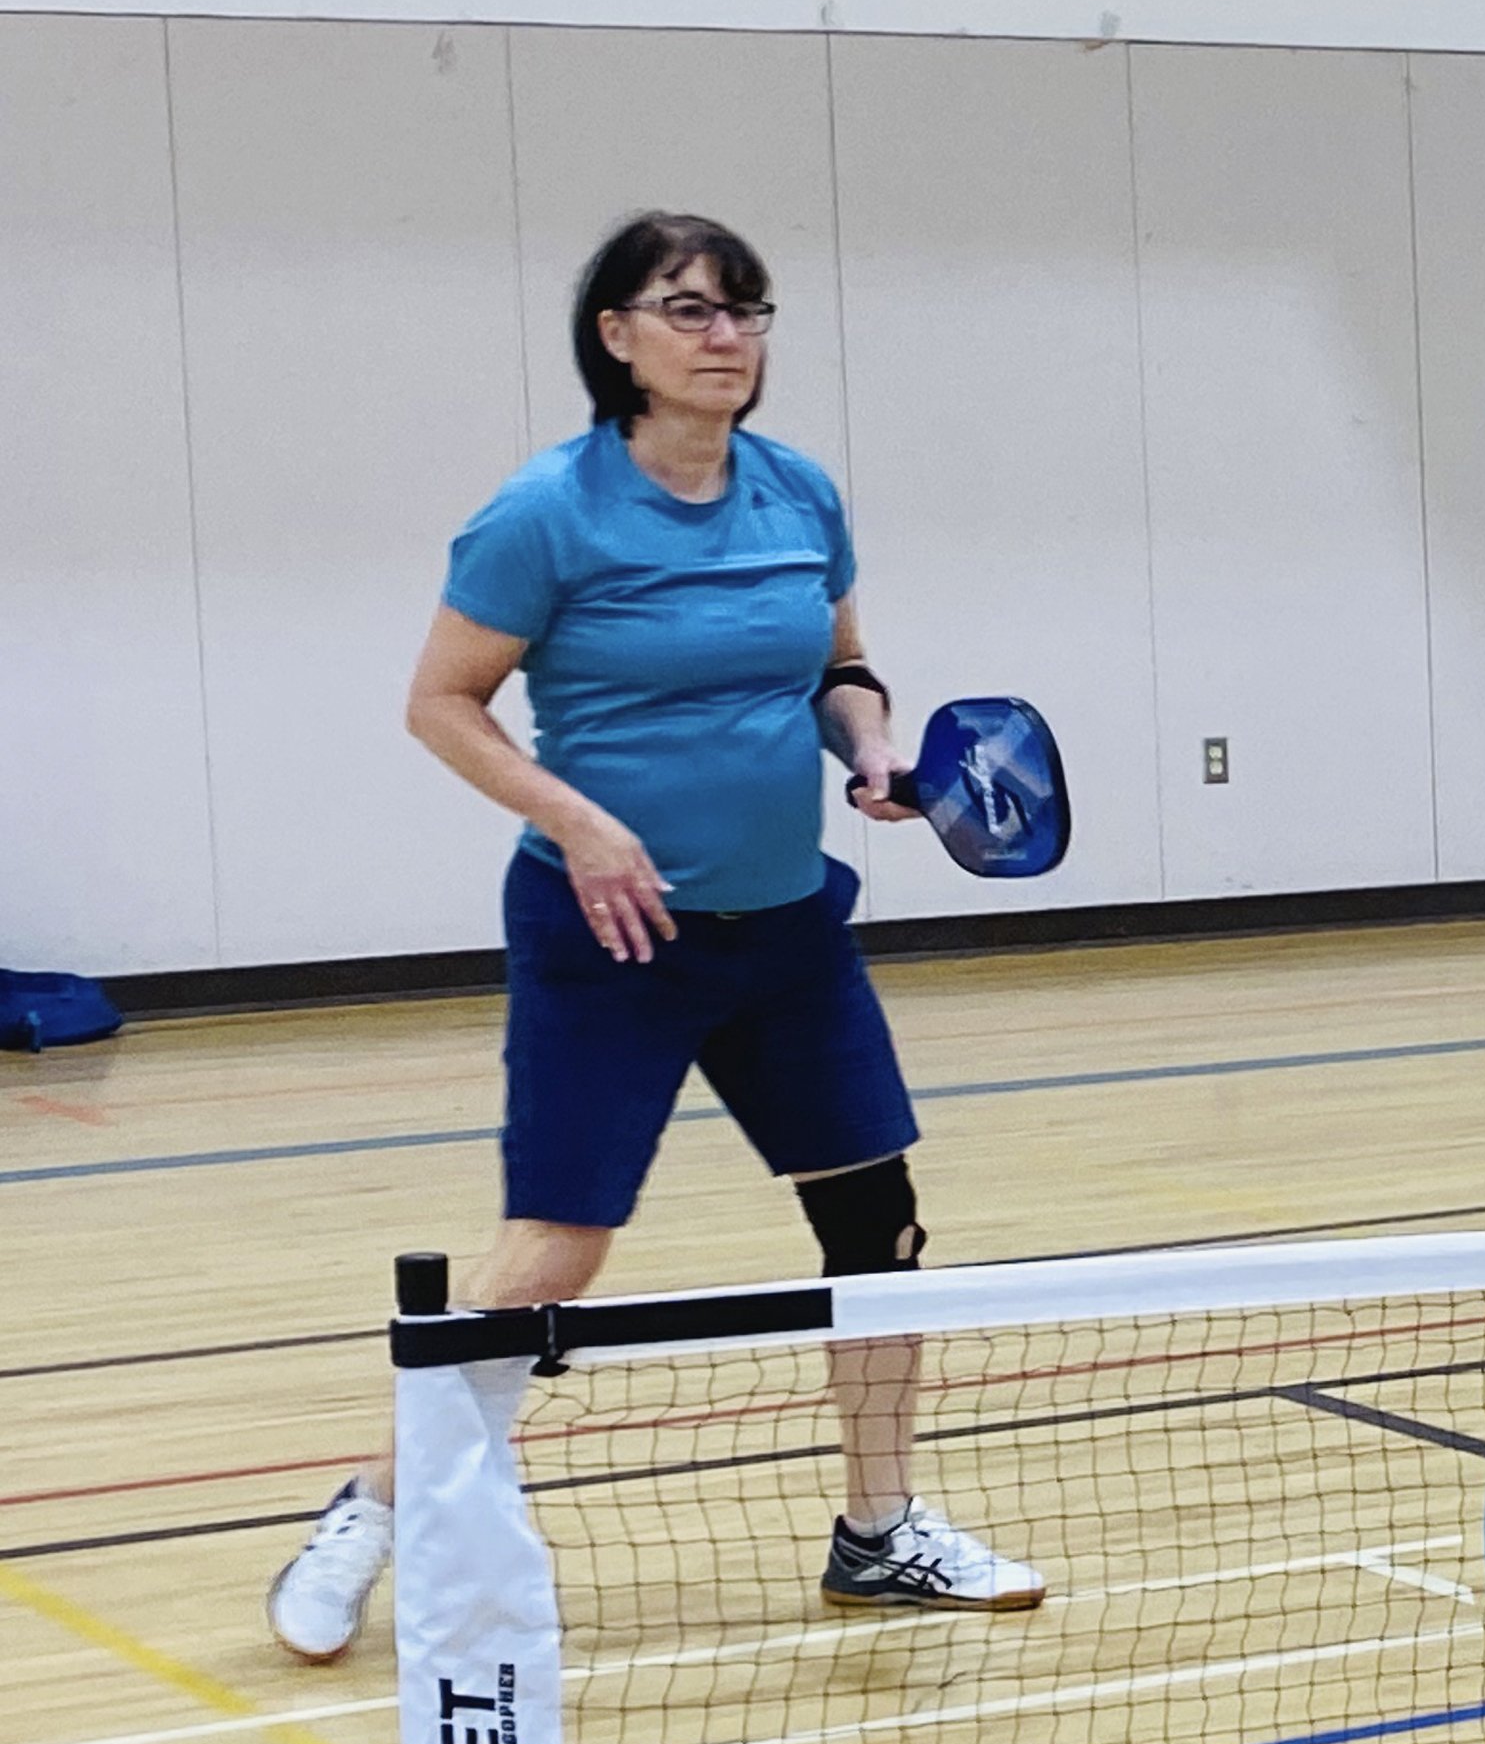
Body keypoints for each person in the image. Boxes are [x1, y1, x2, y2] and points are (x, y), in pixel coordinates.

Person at [267, 211, 1041, 1660]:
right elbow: (442, 703)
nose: (726, 335)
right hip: (605, 928)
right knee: (557, 1253)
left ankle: (880, 1535)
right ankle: (375, 1505)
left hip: (786, 929)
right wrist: (580, 822)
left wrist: (868, 747)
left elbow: (843, 666)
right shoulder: (544, 513)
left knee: (875, 1230)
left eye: (745, 309)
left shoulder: (799, 493)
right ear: (615, 336)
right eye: (688, 309)